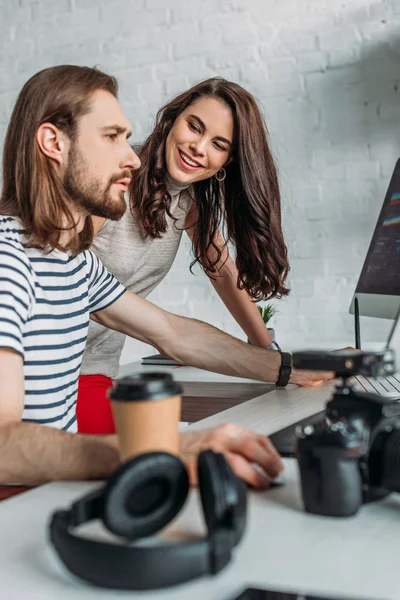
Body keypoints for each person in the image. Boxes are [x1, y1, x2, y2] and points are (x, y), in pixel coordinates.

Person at [0, 65, 332, 488]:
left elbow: (174, 332)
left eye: (219, 145)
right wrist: (163, 451)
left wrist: (287, 366)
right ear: (53, 142)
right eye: (111, 137)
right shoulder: (11, 261)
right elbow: (4, 448)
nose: (133, 158)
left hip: (52, 461)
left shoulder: (73, 262)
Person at [77, 78, 292, 434]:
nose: (198, 148)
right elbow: (61, 281)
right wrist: (275, 365)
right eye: (195, 126)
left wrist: (269, 351)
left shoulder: (187, 203)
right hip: (39, 364)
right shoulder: (113, 180)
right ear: (172, 120)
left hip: (93, 367)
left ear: (228, 160)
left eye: (218, 144)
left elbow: (222, 271)